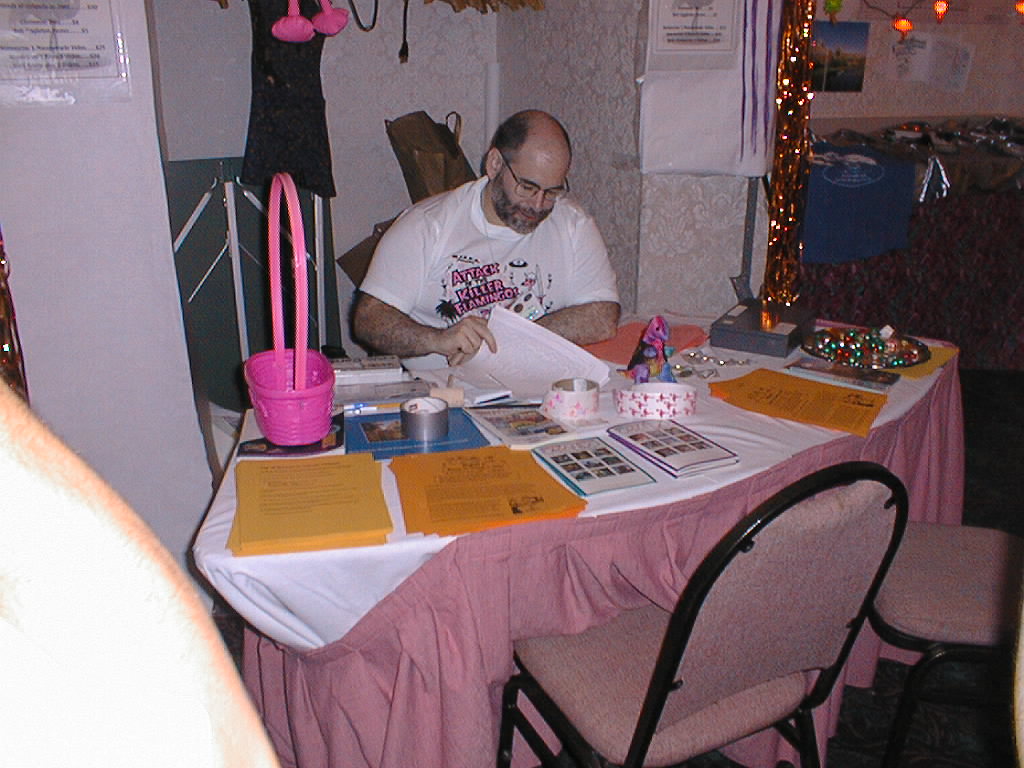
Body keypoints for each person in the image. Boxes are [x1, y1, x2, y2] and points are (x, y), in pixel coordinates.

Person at [352, 109, 620, 368]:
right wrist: (439, 339)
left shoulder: (573, 224)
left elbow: (602, 316)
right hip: (441, 387)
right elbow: (369, 320)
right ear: (495, 164)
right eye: (527, 187)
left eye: (551, 192)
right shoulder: (426, 225)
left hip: (537, 386)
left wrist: (511, 341)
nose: (538, 205)